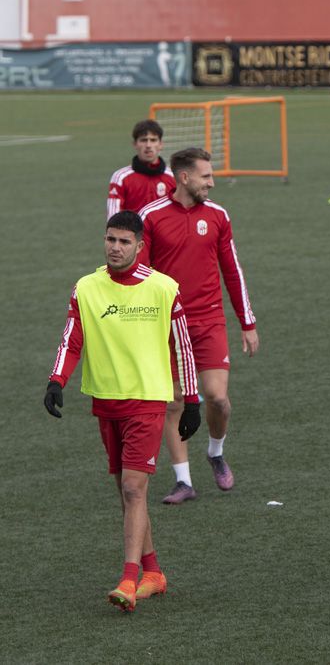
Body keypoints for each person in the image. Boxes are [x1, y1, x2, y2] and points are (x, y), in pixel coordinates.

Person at [45, 210, 201, 612]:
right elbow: (71, 338)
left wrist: (192, 399)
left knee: (134, 488)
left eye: (124, 242)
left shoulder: (164, 288)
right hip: (106, 402)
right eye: (110, 240)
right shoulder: (86, 287)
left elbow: (183, 347)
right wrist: (56, 380)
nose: (115, 248)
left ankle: (129, 581)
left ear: (139, 245)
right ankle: (153, 572)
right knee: (127, 492)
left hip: (147, 401)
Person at [138, 148, 260, 504]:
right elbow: (141, 276)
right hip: (167, 324)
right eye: (206, 176)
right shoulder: (152, 216)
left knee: (218, 399)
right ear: (184, 177)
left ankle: (215, 452)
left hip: (208, 319)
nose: (212, 182)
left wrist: (247, 323)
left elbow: (232, 271)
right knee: (174, 401)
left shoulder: (219, 216)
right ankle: (183, 480)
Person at [107, 120, 175, 220]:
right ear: (135, 144)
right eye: (143, 140)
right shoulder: (120, 177)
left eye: (153, 140)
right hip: (134, 235)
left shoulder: (173, 177)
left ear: (160, 144)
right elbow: (113, 218)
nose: (148, 145)